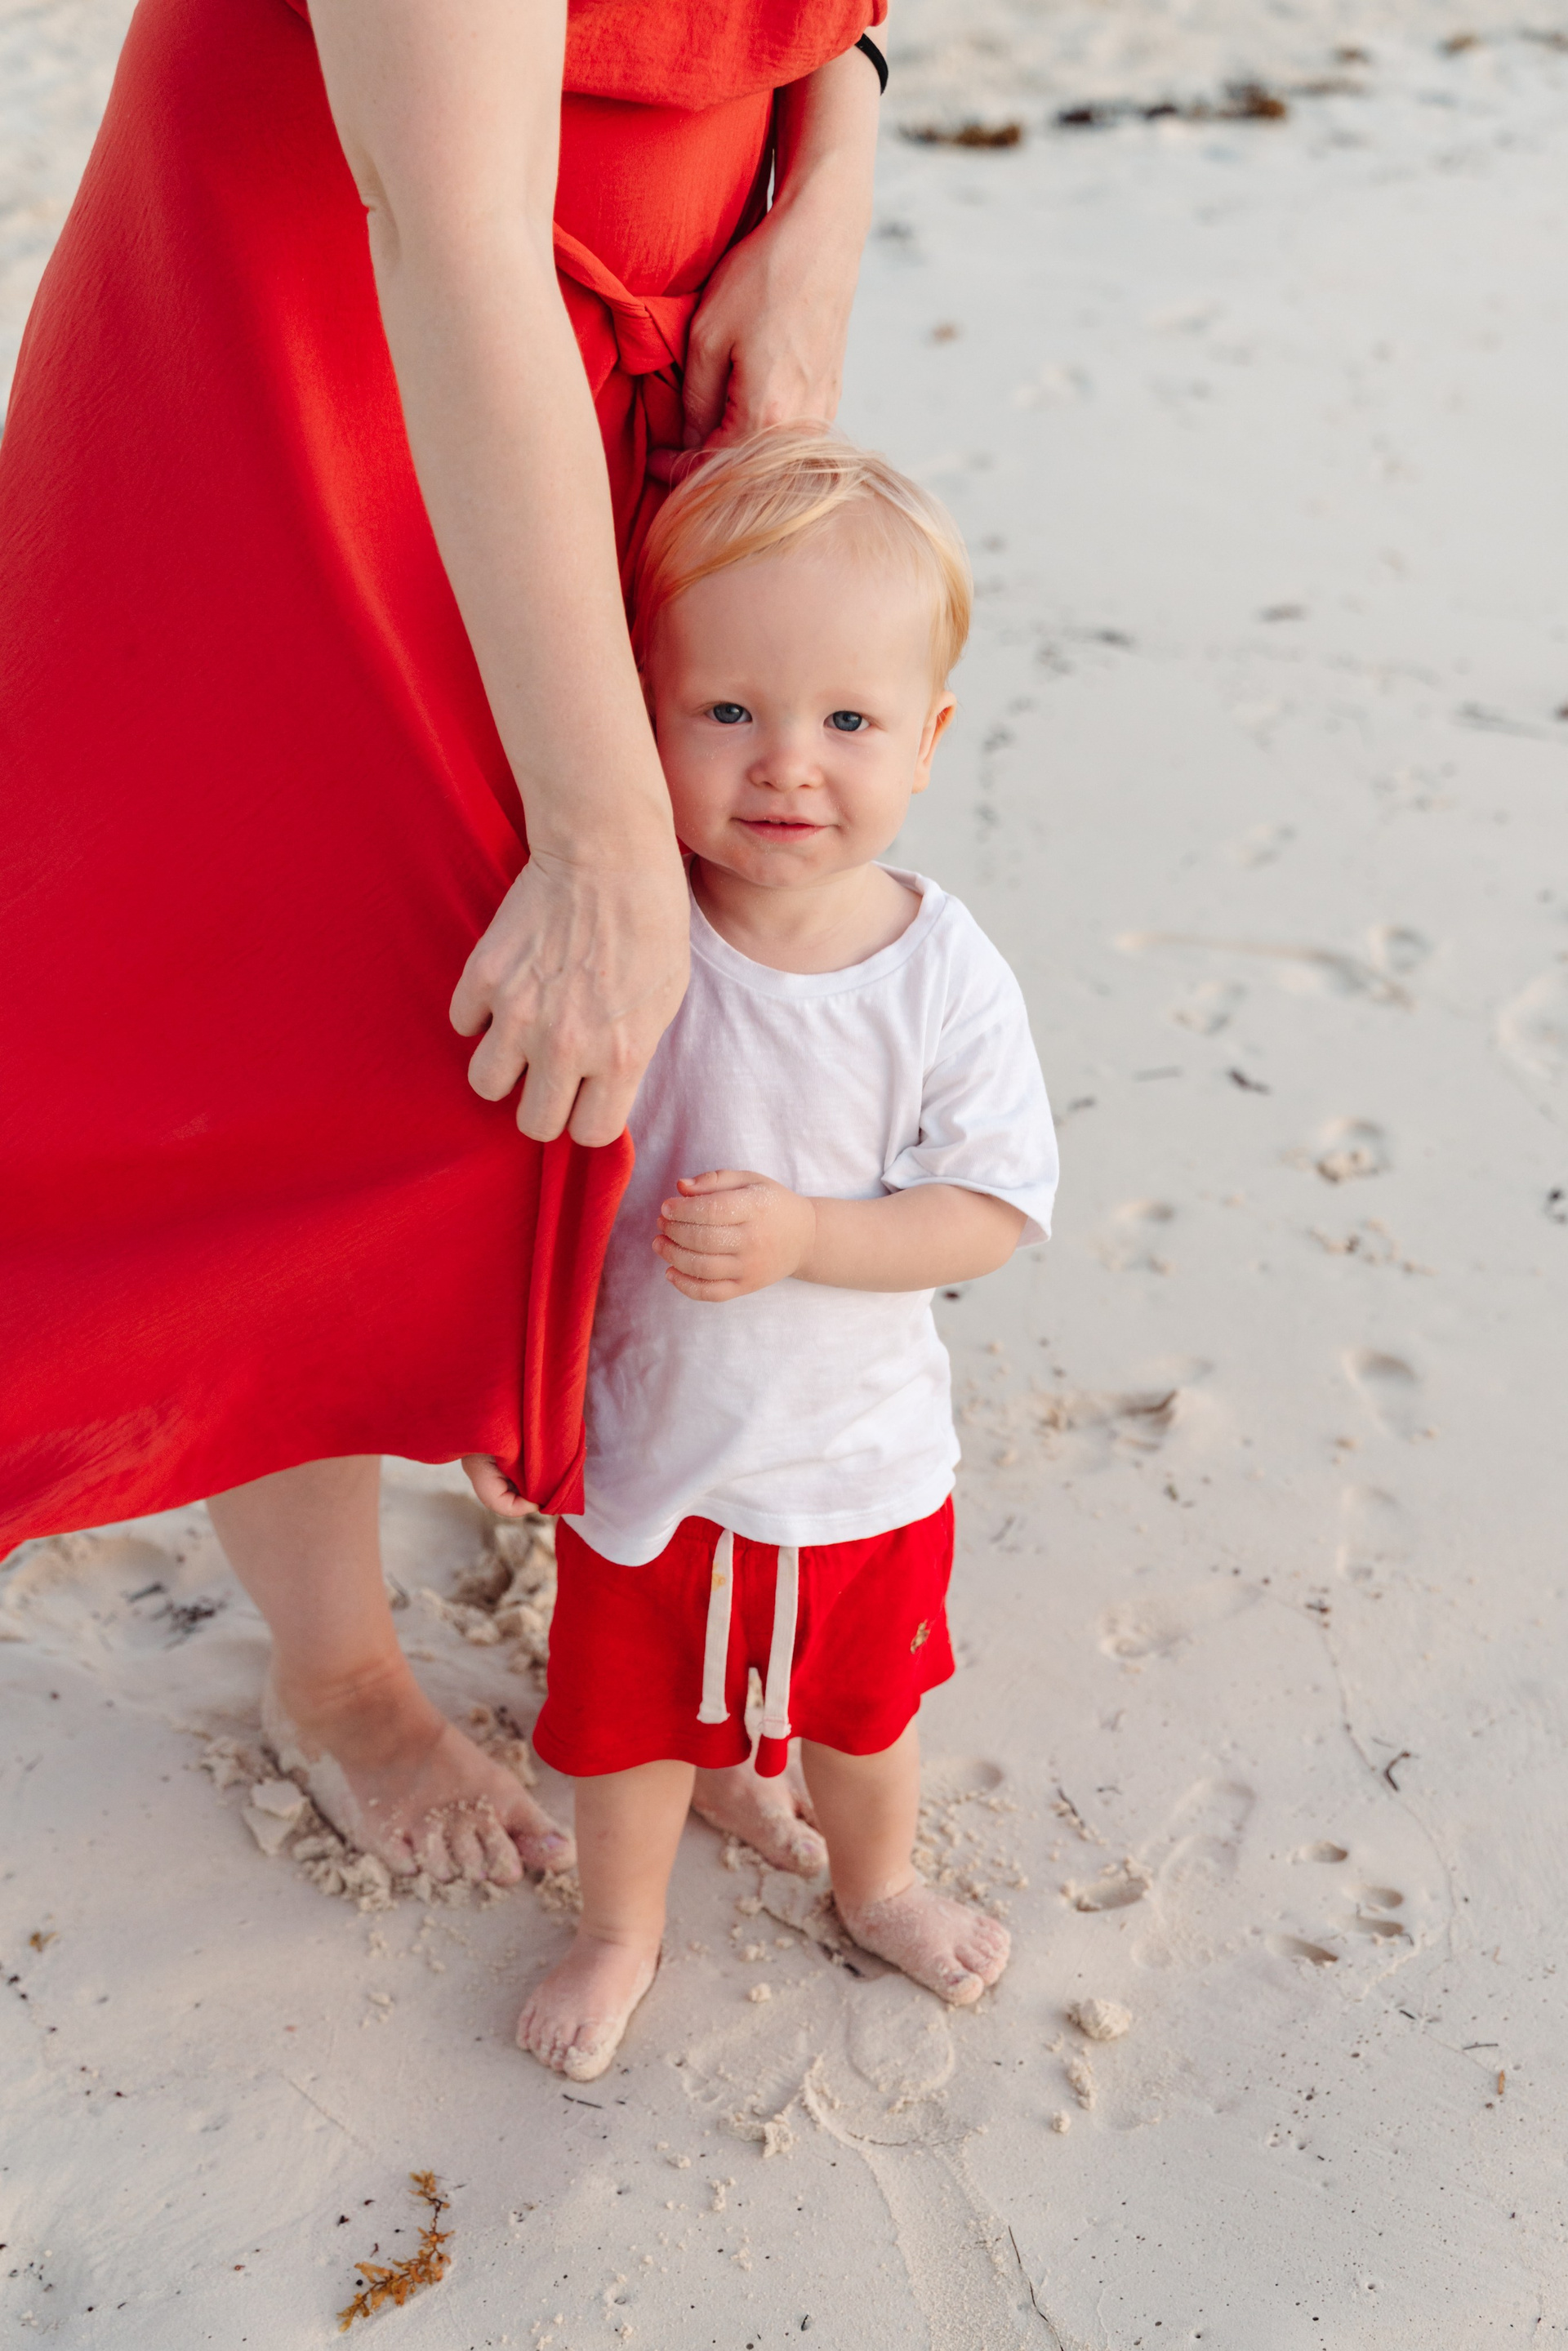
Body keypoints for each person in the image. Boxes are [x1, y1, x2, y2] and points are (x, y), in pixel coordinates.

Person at [0, 0, 887, 1885]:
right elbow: (447, 216)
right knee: (328, 1020)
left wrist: (825, 205)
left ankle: (616, 1544)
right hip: (336, 345)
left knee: (691, 996)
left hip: (659, 332)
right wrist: (597, 839)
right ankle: (338, 1678)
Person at [513, 427, 1059, 2082]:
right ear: (644, 713)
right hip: (653, 1444)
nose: (786, 768)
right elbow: (528, 1182)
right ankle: (621, 1928)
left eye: (848, 723)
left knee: (863, 1717)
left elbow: (993, 1207)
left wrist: (816, 1234)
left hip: (858, 1454)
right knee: (625, 1725)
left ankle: (874, 1885)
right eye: (729, 713)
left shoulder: (941, 972)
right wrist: (507, 1393)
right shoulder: (635, 931)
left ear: (930, 739)